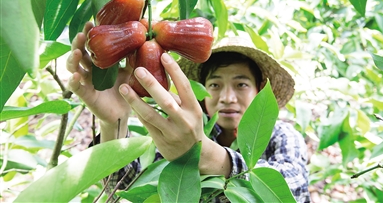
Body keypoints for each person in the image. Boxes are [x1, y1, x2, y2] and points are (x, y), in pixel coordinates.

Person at [66, 21, 310, 202]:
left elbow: (293, 190)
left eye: (241, 84)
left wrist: (209, 156)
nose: (226, 97)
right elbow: (126, 186)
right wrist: (113, 123)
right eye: (215, 85)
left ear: (258, 91)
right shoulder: (185, 134)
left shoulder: (282, 136)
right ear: (203, 93)